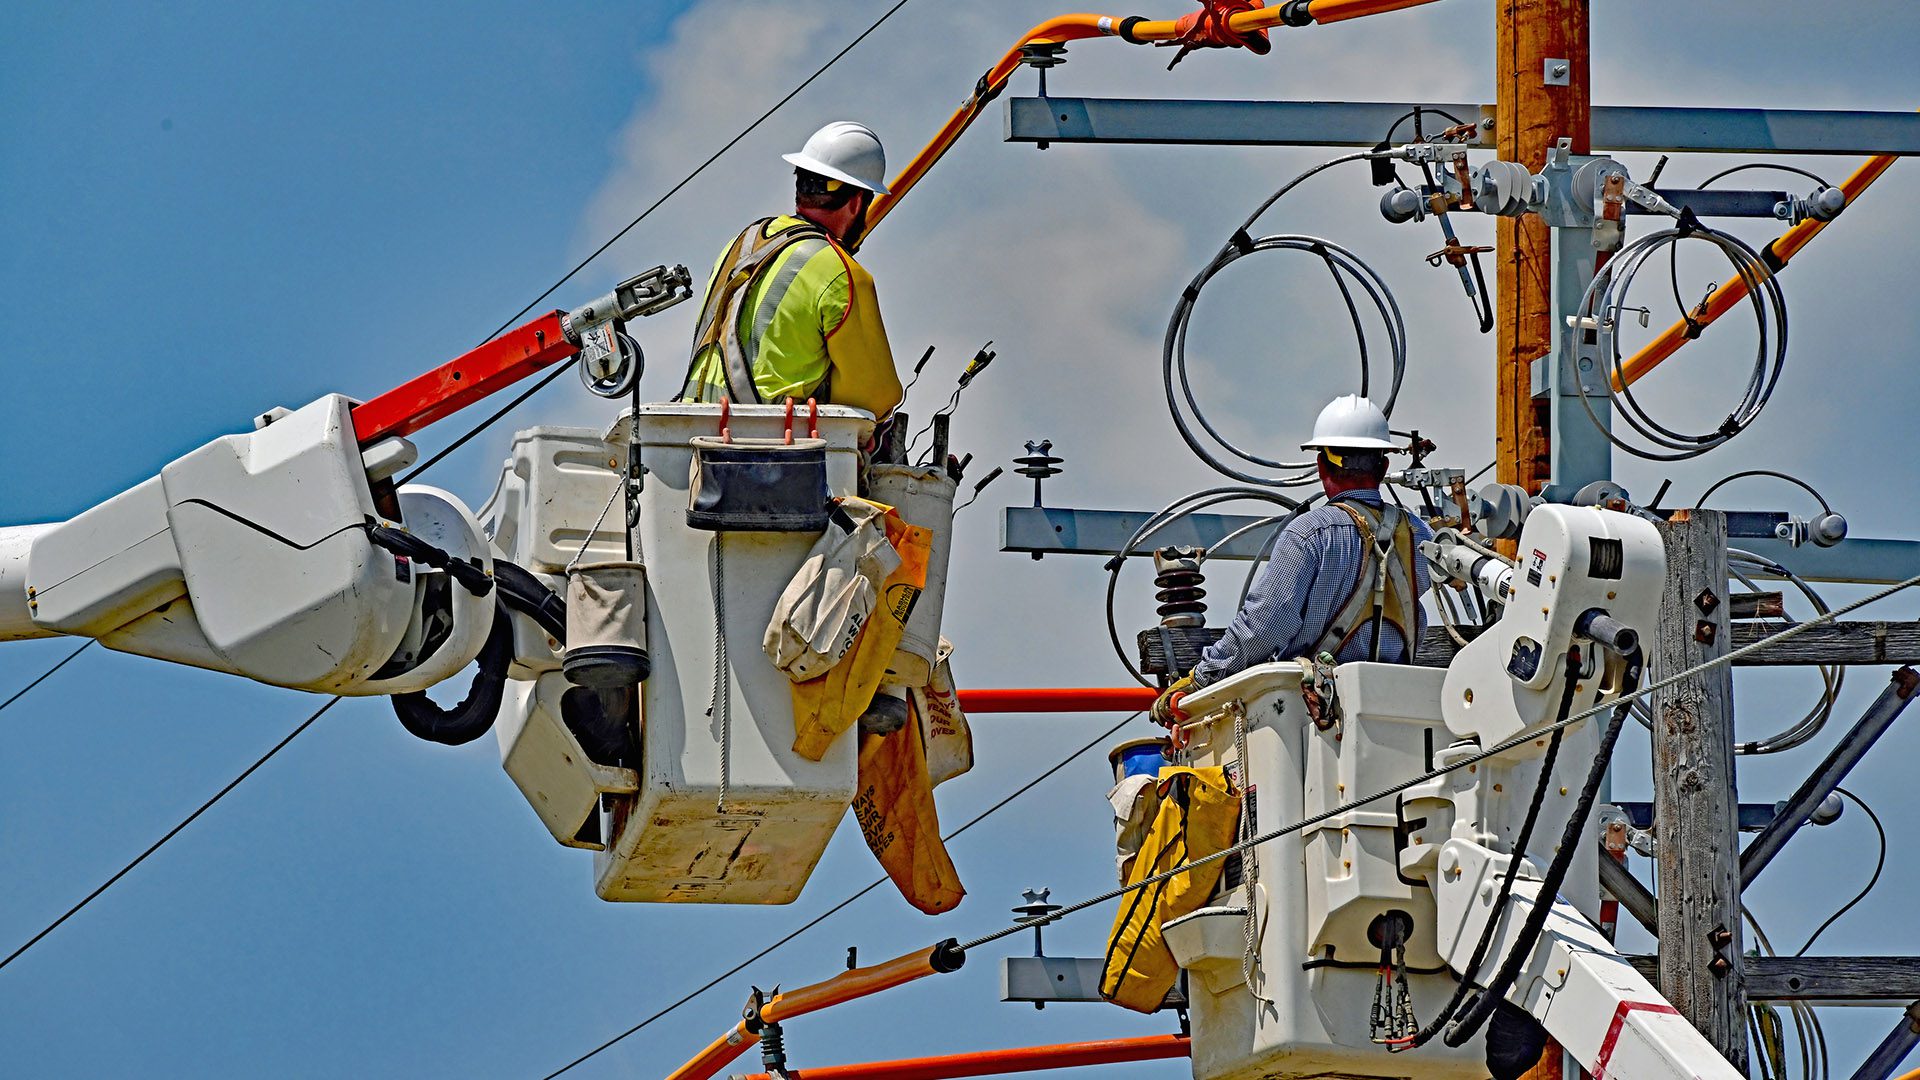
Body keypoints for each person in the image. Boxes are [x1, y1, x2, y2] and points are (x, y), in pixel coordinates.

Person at [1153, 395, 1433, 724]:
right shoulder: (1420, 535)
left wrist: (1202, 681)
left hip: (1312, 722)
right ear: (1383, 468)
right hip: (1398, 714)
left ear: (1322, 466)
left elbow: (1264, 626)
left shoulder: (1309, 533)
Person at [679, 121, 903, 419]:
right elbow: (876, 396)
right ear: (858, 202)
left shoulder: (743, 244)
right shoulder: (841, 271)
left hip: (689, 425)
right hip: (768, 439)